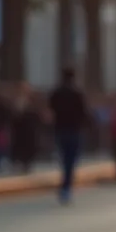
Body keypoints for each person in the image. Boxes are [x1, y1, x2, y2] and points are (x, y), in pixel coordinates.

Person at [48, 67, 90, 204]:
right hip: (74, 130)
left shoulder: (56, 92)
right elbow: (84, 112)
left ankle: (65, 184)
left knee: (64, 157)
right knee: (71, 159)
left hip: (60, 129)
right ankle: (66, 186)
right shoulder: (77, 93)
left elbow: (50, 109)